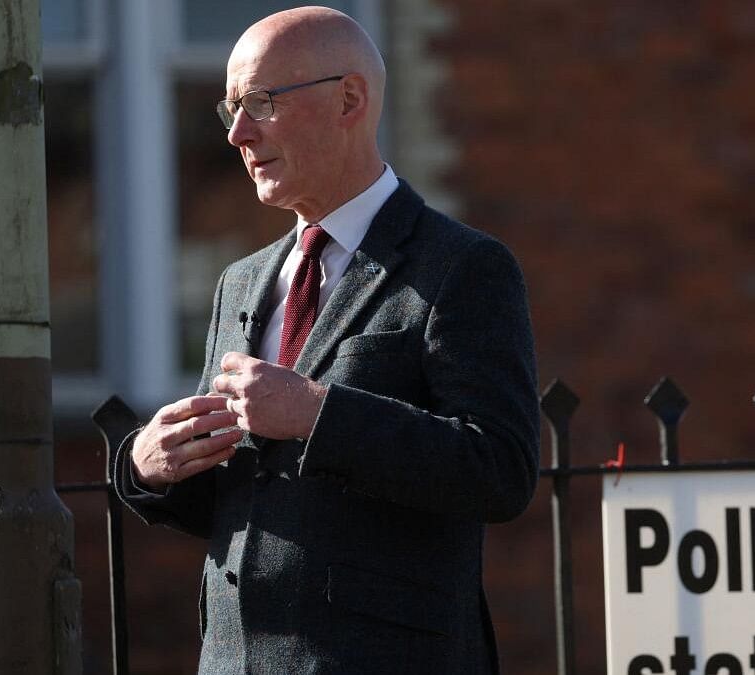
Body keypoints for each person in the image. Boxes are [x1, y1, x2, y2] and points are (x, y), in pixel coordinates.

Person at [111, 7, 540, 674]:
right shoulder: (241, 281)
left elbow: (500, 469)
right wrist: (147, 467)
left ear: (349, 99)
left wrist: (317, 412)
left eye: (259, 102)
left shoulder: (460, 266)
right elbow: (254, 496)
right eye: (232, 109)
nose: (238, 134)